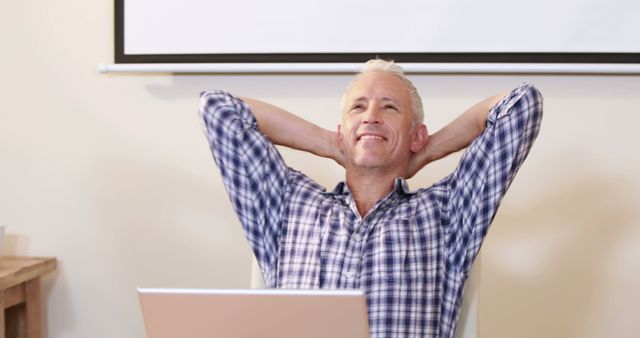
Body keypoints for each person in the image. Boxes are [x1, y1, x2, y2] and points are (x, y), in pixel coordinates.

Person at [199, 59, 543, 338]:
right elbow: (219, 110)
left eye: (389, 107)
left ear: (415, 133)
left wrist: (422, 152)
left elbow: (520, 105)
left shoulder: (448, 211)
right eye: (358, 108)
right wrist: (334, 145)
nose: (371, 116)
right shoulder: (288, 204)